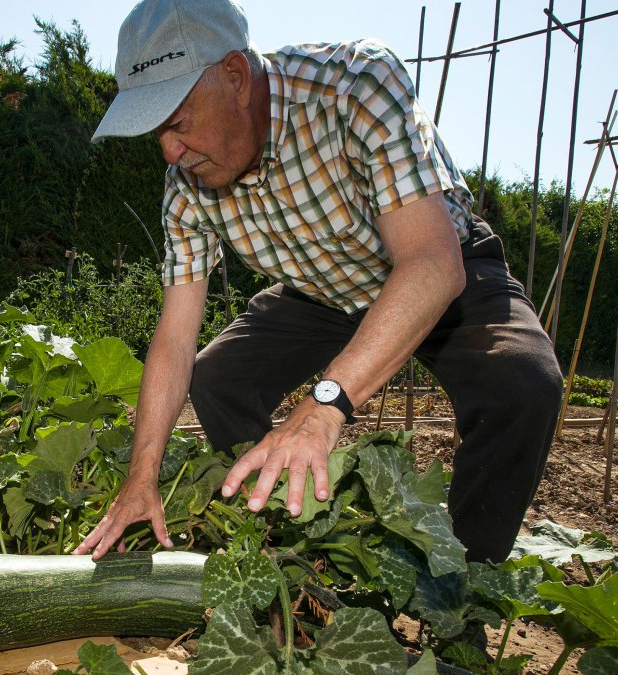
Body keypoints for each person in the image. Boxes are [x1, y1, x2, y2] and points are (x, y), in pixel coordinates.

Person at [73, 0, 562, 566]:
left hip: (435, 265)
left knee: (524, 385)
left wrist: (322, 407)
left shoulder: (353, 86)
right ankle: (283, 534)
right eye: (157, 130)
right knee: (217, 376)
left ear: (234, 76)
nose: (169, 150)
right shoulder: (186, 189)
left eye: (178, 122)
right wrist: (141, 477)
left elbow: (431, 264)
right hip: (322, 291)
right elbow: (175, 337)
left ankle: (462, 590)